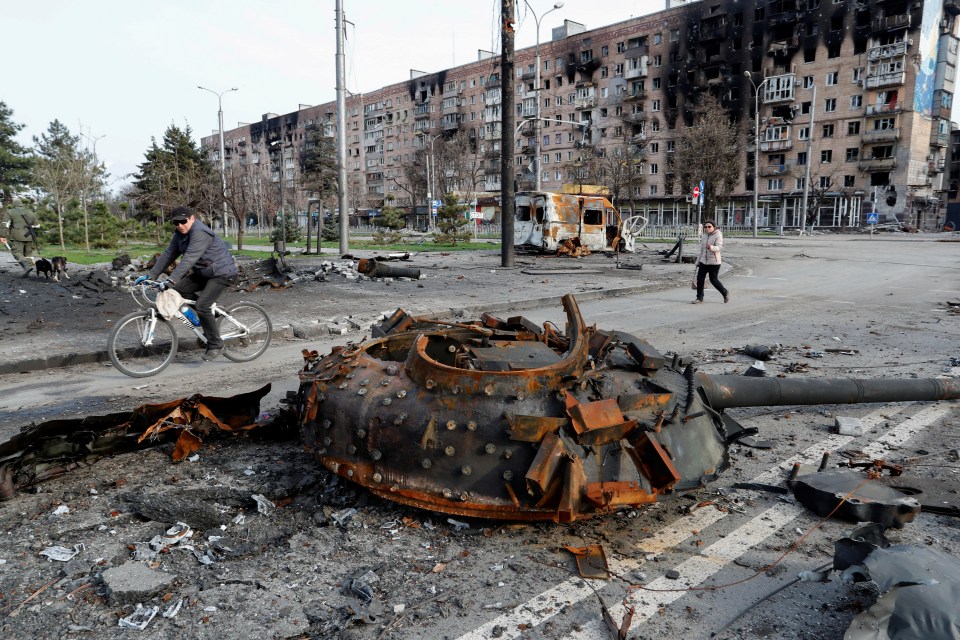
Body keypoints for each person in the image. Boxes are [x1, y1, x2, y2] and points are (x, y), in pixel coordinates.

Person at [138, 206, 239, 361]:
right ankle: (210, 314)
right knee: (176, 292)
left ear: (192, 218)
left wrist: (171, 280)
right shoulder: (179, 234)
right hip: (202, 273)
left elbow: (189, 258)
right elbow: (168, 254)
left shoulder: (200, 233)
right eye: (176, 223)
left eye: (183, 221)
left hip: (221, 273)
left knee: (202, 306)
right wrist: (150, 276)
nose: (180, 225)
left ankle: (216, 344)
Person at [1, 196, 41, 277]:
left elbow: (5, 225)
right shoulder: (30, 212)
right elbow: (38, 225)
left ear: (14, 205)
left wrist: (2, 236)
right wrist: (30, 227)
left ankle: (26, 267)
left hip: (17, 236)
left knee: (16, 251)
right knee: (28, 254)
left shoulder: (10, 212)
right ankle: (29, 273)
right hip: (29, 236)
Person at [692, 219, 730, 304]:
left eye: (709, 227)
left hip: (714, 262)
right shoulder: (705, 236)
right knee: (700, 279)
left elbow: (719, 247)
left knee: (713, 280)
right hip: (703, 261)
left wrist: (712, 247)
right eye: (705, 227)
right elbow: (702, 250)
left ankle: (725, 292)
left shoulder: (718, 235)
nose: (707, 228)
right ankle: (699, 298)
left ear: (714, 227)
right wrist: (698, 261)